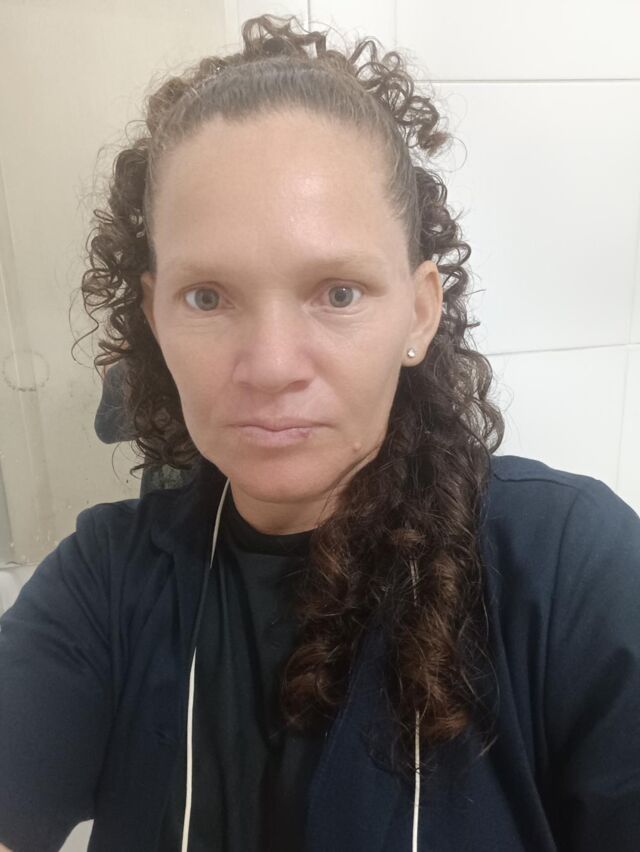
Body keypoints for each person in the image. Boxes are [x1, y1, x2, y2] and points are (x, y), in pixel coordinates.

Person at [1, 12, 639, 852]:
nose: (271, 366)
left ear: (419, 311)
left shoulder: (573, 570)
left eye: (338, 292)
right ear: (154, 316)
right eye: (207, 297)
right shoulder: (103, 585)